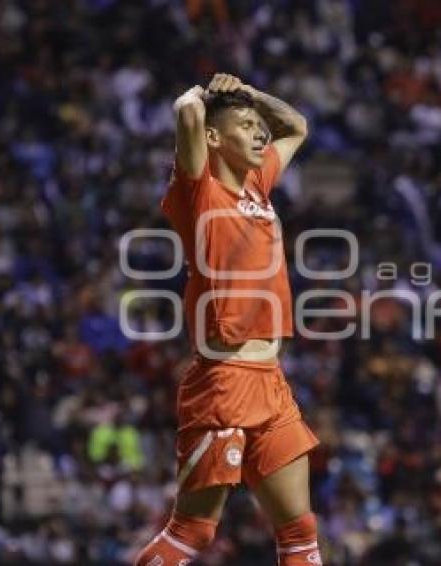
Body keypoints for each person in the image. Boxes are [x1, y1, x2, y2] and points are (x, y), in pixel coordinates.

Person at [134, 73, 322, 565]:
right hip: (224, 382)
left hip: (270, 380)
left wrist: (253, 97)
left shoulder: (258, 185)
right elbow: (185, 111)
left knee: (300, 532)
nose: (260, 133)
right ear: (214, 138)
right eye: (246, 125)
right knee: (191, 534)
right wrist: (206, 92)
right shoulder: (199, 193)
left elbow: (296, 126)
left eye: (259, 126)